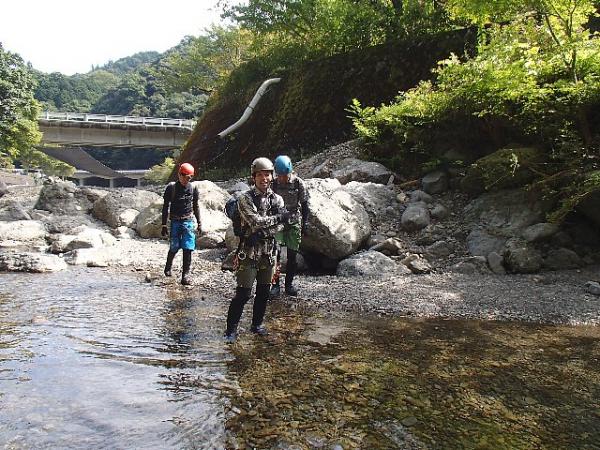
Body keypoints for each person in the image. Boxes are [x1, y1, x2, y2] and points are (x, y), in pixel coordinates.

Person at [224, 157, 289, 342]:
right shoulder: (245, 198)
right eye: (260, 175)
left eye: (267, 174)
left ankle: (257, 324)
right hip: (249, 252)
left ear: (272, 176)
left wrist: (265, 230)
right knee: (243, 293)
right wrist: (278, 218)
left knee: (264, 292)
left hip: (269, 253)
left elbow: (283, 227)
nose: (264, 178)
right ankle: (231, 330)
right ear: (254, 177)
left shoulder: (277, 199)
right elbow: (254, 221)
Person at [270, 155, 309, 297]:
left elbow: (305, 205)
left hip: (294, 222)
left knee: (292, 256)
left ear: (290, 172)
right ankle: (275, 285)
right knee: (276, 254)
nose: (281, 179)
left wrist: (305, 223)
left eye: (284, 175)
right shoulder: (273, 184)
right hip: (278, 222)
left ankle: (289, 285)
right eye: (279, 175)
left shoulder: (299, 183)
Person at [161, 162, 201, 285]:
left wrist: (199, 223)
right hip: (175, 221)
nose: (185, 179)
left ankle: (185, 276)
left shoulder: (193, 188)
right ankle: (168, 267)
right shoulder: (171, 188)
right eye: (183, 175)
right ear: (179, 174)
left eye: (189, 177)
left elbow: (196, 205)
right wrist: (163, 225)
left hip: (188, 221)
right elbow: (165, 207)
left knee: (188, 247)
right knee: (174, 246)